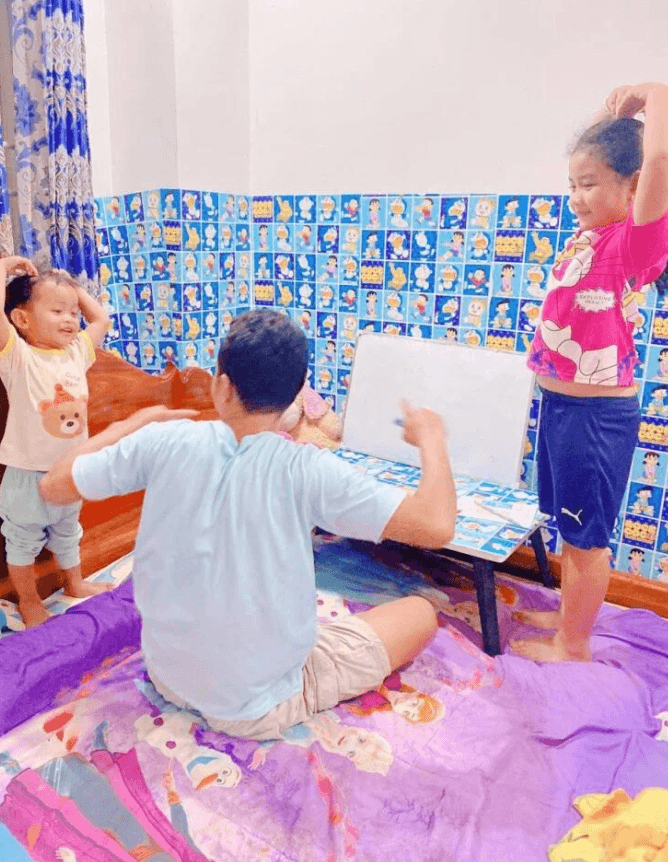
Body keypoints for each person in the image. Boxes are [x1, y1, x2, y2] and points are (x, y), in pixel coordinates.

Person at [40, 309, 457, 740]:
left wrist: (131, 425)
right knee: (420, 613)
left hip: (170, 677)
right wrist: (432, 439)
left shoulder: (162, 440)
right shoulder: (308, 468)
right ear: (296, 396)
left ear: (221, 386)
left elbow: (53, 485)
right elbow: (437, 524)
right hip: (253, 706)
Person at [514, 82, 668, 661]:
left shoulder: (634, 245)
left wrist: (653, 93)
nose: (576, 197)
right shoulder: (590, 239)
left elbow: (659, 157)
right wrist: (611, 123)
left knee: (586, 539)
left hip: (594, 418)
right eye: (572, 185)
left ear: (633, 189)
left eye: (588, 186)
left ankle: (575, 645)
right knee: (567, 527)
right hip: (562, 408)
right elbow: (610, 155)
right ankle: (570, 624)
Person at [0, 257, 111, 627]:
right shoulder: (18, 356)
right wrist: (5, 266)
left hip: (69, 471)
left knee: (68, 532)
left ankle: (74, 583)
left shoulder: (76, 353)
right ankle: (29, 601)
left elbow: (101, 321)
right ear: (21, 319)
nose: (70, 319)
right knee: (21, 541)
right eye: (57, 310)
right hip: (27, 476)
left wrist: (71, 287)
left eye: (73, 312)